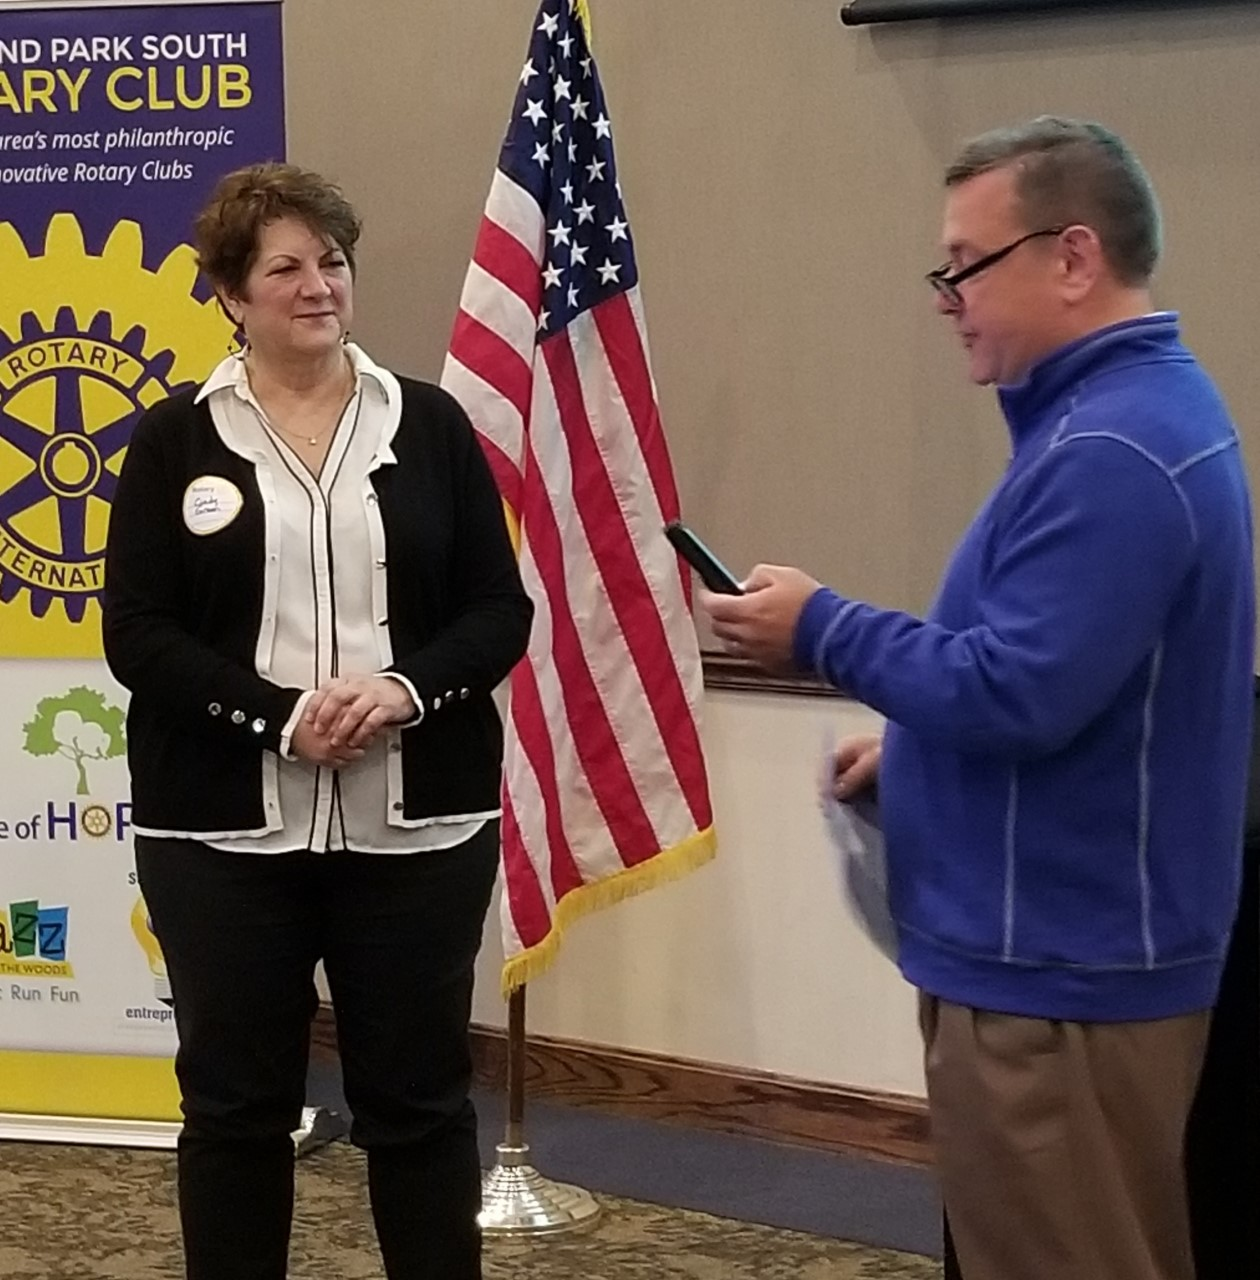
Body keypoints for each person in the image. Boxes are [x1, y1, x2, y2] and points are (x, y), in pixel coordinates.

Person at [702, 118, 1254, 1280]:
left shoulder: (1114, 448)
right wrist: (916, 757)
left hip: (1061, 978)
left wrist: (820, 627)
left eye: (966, 264)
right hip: (1065, 955)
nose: (946, 298)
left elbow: (1018, 690)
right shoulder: (1120, 419)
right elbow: (1080, 683)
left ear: (1073, 256)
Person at [103, 162, 533, 1280]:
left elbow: (498, 612)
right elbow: (138, 635)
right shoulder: (173, 440)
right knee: (236, 1110)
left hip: (417, 832)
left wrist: (402, 690)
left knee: (420, 1104)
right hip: (221, 838)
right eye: (284, 268)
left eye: (332, 262)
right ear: (230, 294)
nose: (318, 286)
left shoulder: (430, 425)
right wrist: (279, 718)